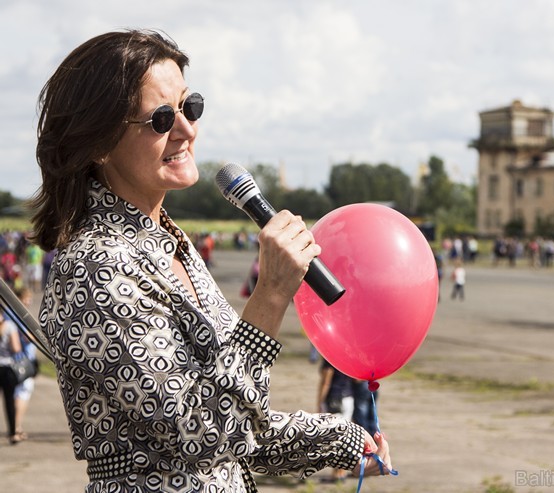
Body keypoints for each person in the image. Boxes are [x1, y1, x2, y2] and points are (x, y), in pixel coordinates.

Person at [31, 29, 391, 492]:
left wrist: (342, 438)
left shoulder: (171, 245)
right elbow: (200, 429)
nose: (187, 129)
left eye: (190, 105)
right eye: (161, 118)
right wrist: (271, 296)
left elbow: (237, 426)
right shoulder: (93, 266)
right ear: (99, 141)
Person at [317, 359, 355, 482]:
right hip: (348, 399)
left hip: (334, 399)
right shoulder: (348, 357)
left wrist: (320, 402)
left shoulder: (330, 359)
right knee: (344, 437)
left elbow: (326, 382)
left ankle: (337, 474)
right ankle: (341, 471)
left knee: (335, 438)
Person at [13, 286, 37, 443]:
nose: (28, 301)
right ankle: (17, 427)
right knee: (22, 393)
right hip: (22, 361)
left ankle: (16, 427)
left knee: (20, 393)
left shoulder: (13, 315)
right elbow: (29, 336)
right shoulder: (18, 316)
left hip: (21, 360)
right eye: (26, 298)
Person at [0, 309, 23, 444]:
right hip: (7, 368)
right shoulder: (9, 327)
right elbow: (16, 348)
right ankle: (12, 433)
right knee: (9, 402)